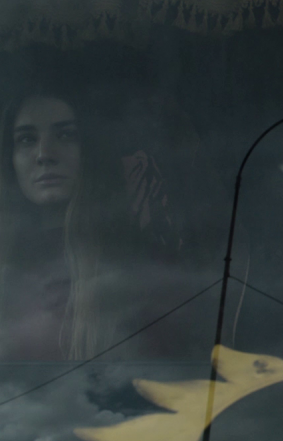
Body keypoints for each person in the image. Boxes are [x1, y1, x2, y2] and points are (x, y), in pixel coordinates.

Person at [0, 86, 179, 361]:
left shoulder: (141, 265)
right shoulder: (8, 267)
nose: (44, 153)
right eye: (26, 139)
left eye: (65, 135)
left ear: (91, 150)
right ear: (10, 159)